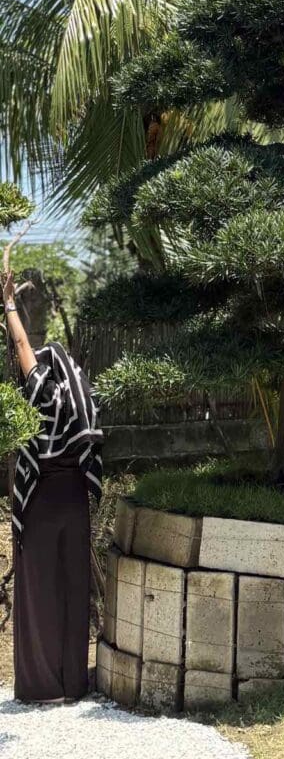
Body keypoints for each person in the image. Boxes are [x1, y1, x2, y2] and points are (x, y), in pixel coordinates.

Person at [2, 269, 104, 705]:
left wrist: (7, 301)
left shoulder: (39, 391)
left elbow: (23, 345)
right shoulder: (82, 401)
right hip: (75, 499)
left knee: (38, 590)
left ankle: (41, 687)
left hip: (41, 499)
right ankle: (72, 686)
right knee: (72, 589)